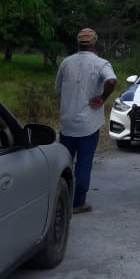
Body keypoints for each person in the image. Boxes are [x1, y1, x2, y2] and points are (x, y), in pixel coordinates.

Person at [55, 28, 117, 214]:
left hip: (67, 122)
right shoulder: (101, 63)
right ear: (95, 44)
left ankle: (61, 198)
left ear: (78, 44)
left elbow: (57, 88)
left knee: (64, 163)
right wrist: (102, 97)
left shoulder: (66, 63)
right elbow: (112, 81)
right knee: (84, 162)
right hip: (88, 124)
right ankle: (78, 202)